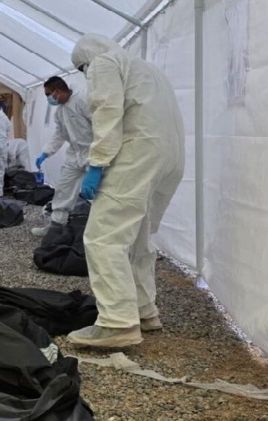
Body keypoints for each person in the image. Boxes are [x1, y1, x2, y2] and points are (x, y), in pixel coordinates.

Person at [66, 34, 185, 347]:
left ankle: (117, 323)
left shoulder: (103, 63)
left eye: (81, 69)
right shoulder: (147, 68)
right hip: (169, 157)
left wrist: (97, 163)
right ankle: (145, 310)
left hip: (138, 153)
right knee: (138, 237)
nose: (85, 74)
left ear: (86, 59)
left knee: (103, 237)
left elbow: (107, 111)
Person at [31, 76, 93, 237]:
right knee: (63, 190)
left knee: (101, 194)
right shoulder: (60, 111)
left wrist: (99, 163)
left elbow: (101, 127)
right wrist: (46, 152)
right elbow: (59, 134)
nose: (48, 98)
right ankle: (56, 227)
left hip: (94, 153)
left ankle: (98, 234)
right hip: (75, 154)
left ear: (57, 91)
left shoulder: (83, 100)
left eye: (48, 94)